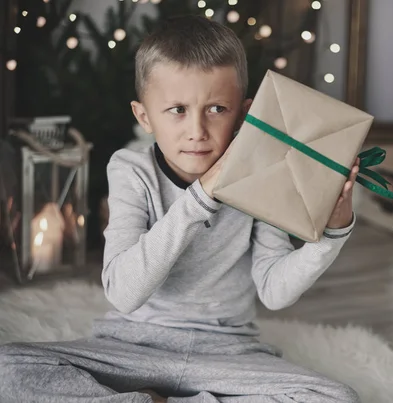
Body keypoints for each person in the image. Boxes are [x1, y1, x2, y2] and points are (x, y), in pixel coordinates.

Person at [0, 15, 361, 403]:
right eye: (177, 110)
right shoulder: (130, 169)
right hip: (132, 350)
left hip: (227, 354)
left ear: (243, 114)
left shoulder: (259, 174)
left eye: (217, 109)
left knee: (333, 397)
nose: (197, 131)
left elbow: (273, 291)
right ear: (144, 116)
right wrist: (200, 199)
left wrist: (332, 235)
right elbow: (123, 293)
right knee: (8, 368)